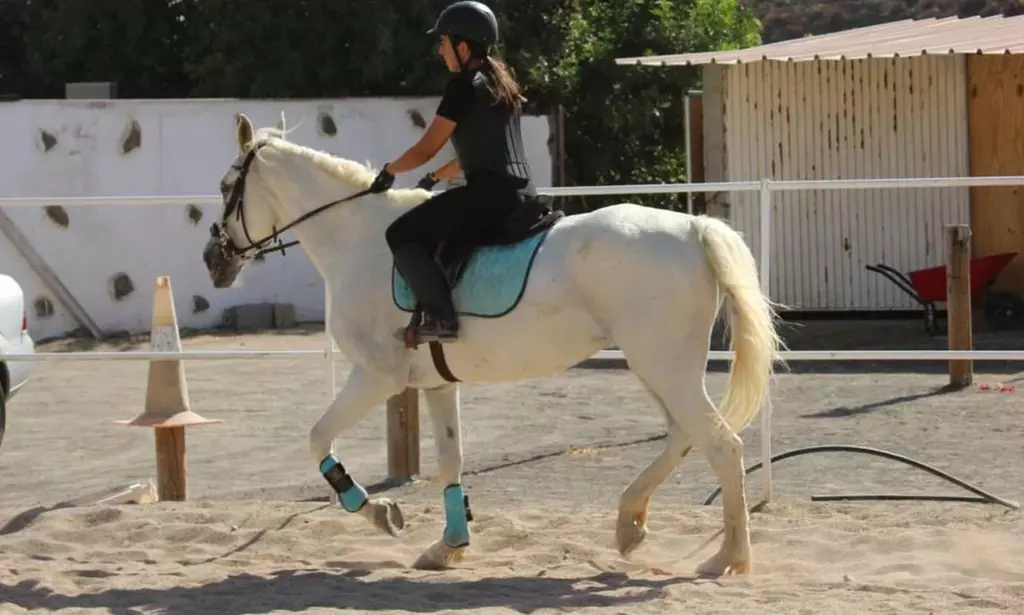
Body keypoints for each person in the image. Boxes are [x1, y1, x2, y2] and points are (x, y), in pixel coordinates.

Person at [368, 0, 548, 344]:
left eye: (443, 42)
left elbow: (425, 148)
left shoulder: (463, 87)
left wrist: (389, 171)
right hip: (521, 194)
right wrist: (436, 177)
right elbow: (478, 152)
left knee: (400, 234)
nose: (440, 51)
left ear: (462, 46)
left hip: (488, 198)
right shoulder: (501, 81)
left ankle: (441, 317)